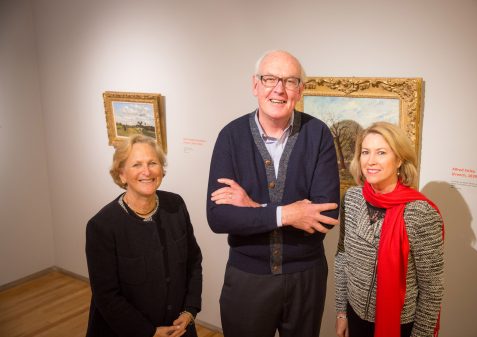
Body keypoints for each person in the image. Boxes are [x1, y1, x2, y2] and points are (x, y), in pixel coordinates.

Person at [206, 50, 340, 337]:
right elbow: (219, 218)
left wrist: (251, 206)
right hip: (248, 279)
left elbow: (325, 216)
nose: (279, 89)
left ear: (300, 90)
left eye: (290, 81)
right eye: (270, 79)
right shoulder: (230, 137)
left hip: (306, 277)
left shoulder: (318, 134)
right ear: (255, 85)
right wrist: (288, 213)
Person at [85, 134, 202, 337]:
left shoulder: (176, 205)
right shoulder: (102, 226)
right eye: (136, 165)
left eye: (152, 163)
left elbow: (193, 261)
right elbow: (106, 296)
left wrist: (189, 311)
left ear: (161, 170)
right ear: (121, 174)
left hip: (178, 328)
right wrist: (149, 332)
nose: (146, 171)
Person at [334, 122, 444, 337]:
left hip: (399, 325)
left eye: (381, 153)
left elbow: (431, 288)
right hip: (355, 317)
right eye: (365, 152)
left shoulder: (419, 212)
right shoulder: (352, 199)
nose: (371, 161)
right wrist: (341, 313)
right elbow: (342, 257)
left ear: (399, 160)